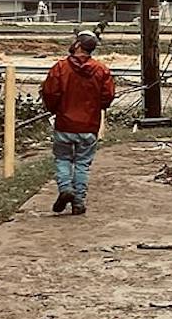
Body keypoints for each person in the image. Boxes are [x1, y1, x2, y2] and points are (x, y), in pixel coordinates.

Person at [39, 30, 116, 214]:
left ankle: (65, 189)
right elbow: (108, 97)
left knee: (63, 159)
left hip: (64, 123)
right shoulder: (102, 70)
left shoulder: (60, 68)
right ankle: (78, 202)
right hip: (89, 125)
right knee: (82, 163)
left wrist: (54, 110)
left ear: (78, 45)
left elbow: (50, 93)